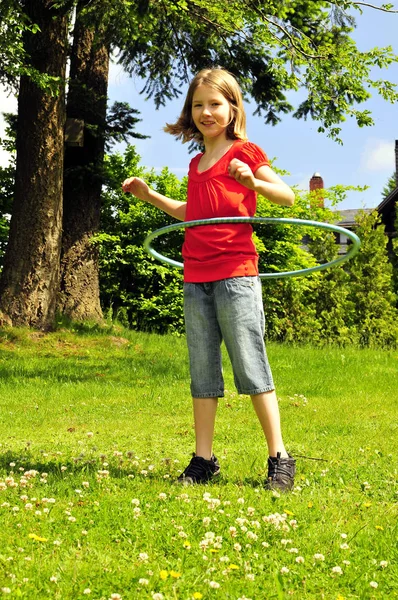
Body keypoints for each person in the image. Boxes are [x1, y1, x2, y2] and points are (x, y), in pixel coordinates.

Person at [122, 68, 296, 491]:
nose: (206, 112)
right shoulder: (196, 163)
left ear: (233, 108)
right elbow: (192, 213)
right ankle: (203, 459)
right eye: (198, 105)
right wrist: (149, 197)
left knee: (250, 364)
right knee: (202, 368)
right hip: (196, 274)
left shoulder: (245, 151)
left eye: (215, 104)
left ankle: (279, 457)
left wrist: (253, 180)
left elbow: (287, 196)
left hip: (236, 272)